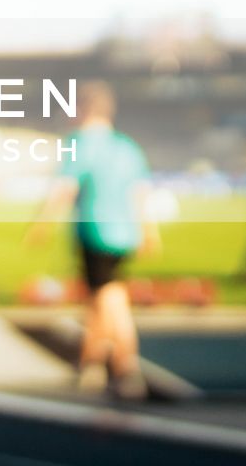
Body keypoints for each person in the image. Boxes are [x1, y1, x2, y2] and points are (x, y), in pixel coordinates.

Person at [27, 81, 160, 400]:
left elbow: (65, 188)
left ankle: (126, 366)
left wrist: (41, 224)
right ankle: (92, 364)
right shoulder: (126, 146)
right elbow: (140, 193)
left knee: (110, 299)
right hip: (126, 232)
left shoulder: (80, 143)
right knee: (100, 299)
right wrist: (149, 230)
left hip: (96, 230)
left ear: (83, 109)